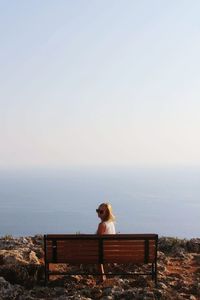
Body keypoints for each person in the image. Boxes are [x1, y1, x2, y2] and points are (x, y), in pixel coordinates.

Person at [96, 203, 116, 281]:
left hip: (104, 253)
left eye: (101, 211)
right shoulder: (111, 224)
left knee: (97, 255)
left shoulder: (102, 225)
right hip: (111, 251)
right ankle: (104, 278)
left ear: (107, 213)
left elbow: (96, 241)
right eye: (97, 211)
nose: (98, 213)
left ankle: (102, 278)